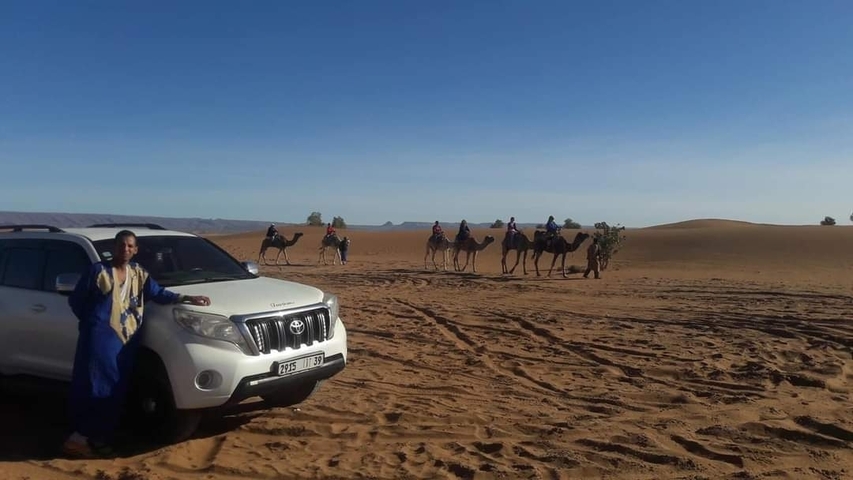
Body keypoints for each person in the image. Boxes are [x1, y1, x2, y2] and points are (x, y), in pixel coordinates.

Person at [61, 230, 211, 458]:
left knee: (116, 388)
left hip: (127, 341)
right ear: (114, 247)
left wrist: (187, 298)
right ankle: (79, 439)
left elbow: (159, 294)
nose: (126, 250)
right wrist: (94, 323)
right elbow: (77, 301)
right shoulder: (98, 271)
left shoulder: (139, 274)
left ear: (136, 249)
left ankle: (100, 437)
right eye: (121, 245)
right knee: (94, 386)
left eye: (130, 246)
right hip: (100, 340)